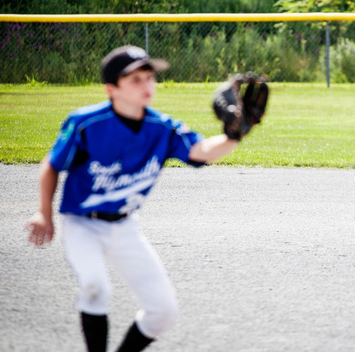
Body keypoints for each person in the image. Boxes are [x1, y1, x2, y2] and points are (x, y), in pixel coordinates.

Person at [25, 46, 264, 352]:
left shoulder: (161, 127)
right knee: (95, 287)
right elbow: (51, 166)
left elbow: (200, 151)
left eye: (149, 77)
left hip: (125, 228)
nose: (146, 85)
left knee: (163, 312)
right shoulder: (86, 123)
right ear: (112, 89)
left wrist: (233, 135)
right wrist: (43, 213)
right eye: (135, 79)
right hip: (82, 224)